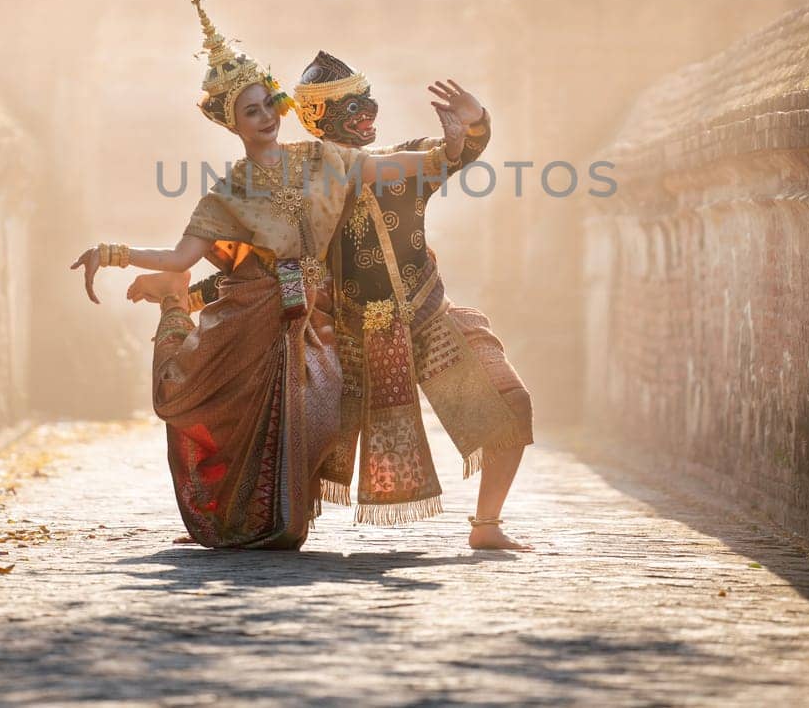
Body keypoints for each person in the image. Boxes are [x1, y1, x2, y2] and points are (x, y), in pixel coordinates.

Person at [69, 0, 454, 550]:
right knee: (221, 415)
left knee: (319, 416)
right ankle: (244, 519)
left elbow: (385, 169)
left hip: (310, 317)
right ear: (233, 123)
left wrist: (450, 146)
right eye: (250, 112)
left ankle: (278, 514)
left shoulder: (323, 159)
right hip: (251, 313)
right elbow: (182, 254)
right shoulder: (229, 191)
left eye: (268, 103)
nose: (266, 116)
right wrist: (113, 252)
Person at [135, 52, 534, 550]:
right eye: (351, 107)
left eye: (368, 103)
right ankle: (236, 519)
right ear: (316, 118)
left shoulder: (396, 163)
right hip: (338, 336)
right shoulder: (300, 183)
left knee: (508, 401)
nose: (367, 114)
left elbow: (452, 153)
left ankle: (487, 525)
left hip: (426, 316)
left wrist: (475, 123)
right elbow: (263, 270)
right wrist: (188, 297)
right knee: (280, 435)